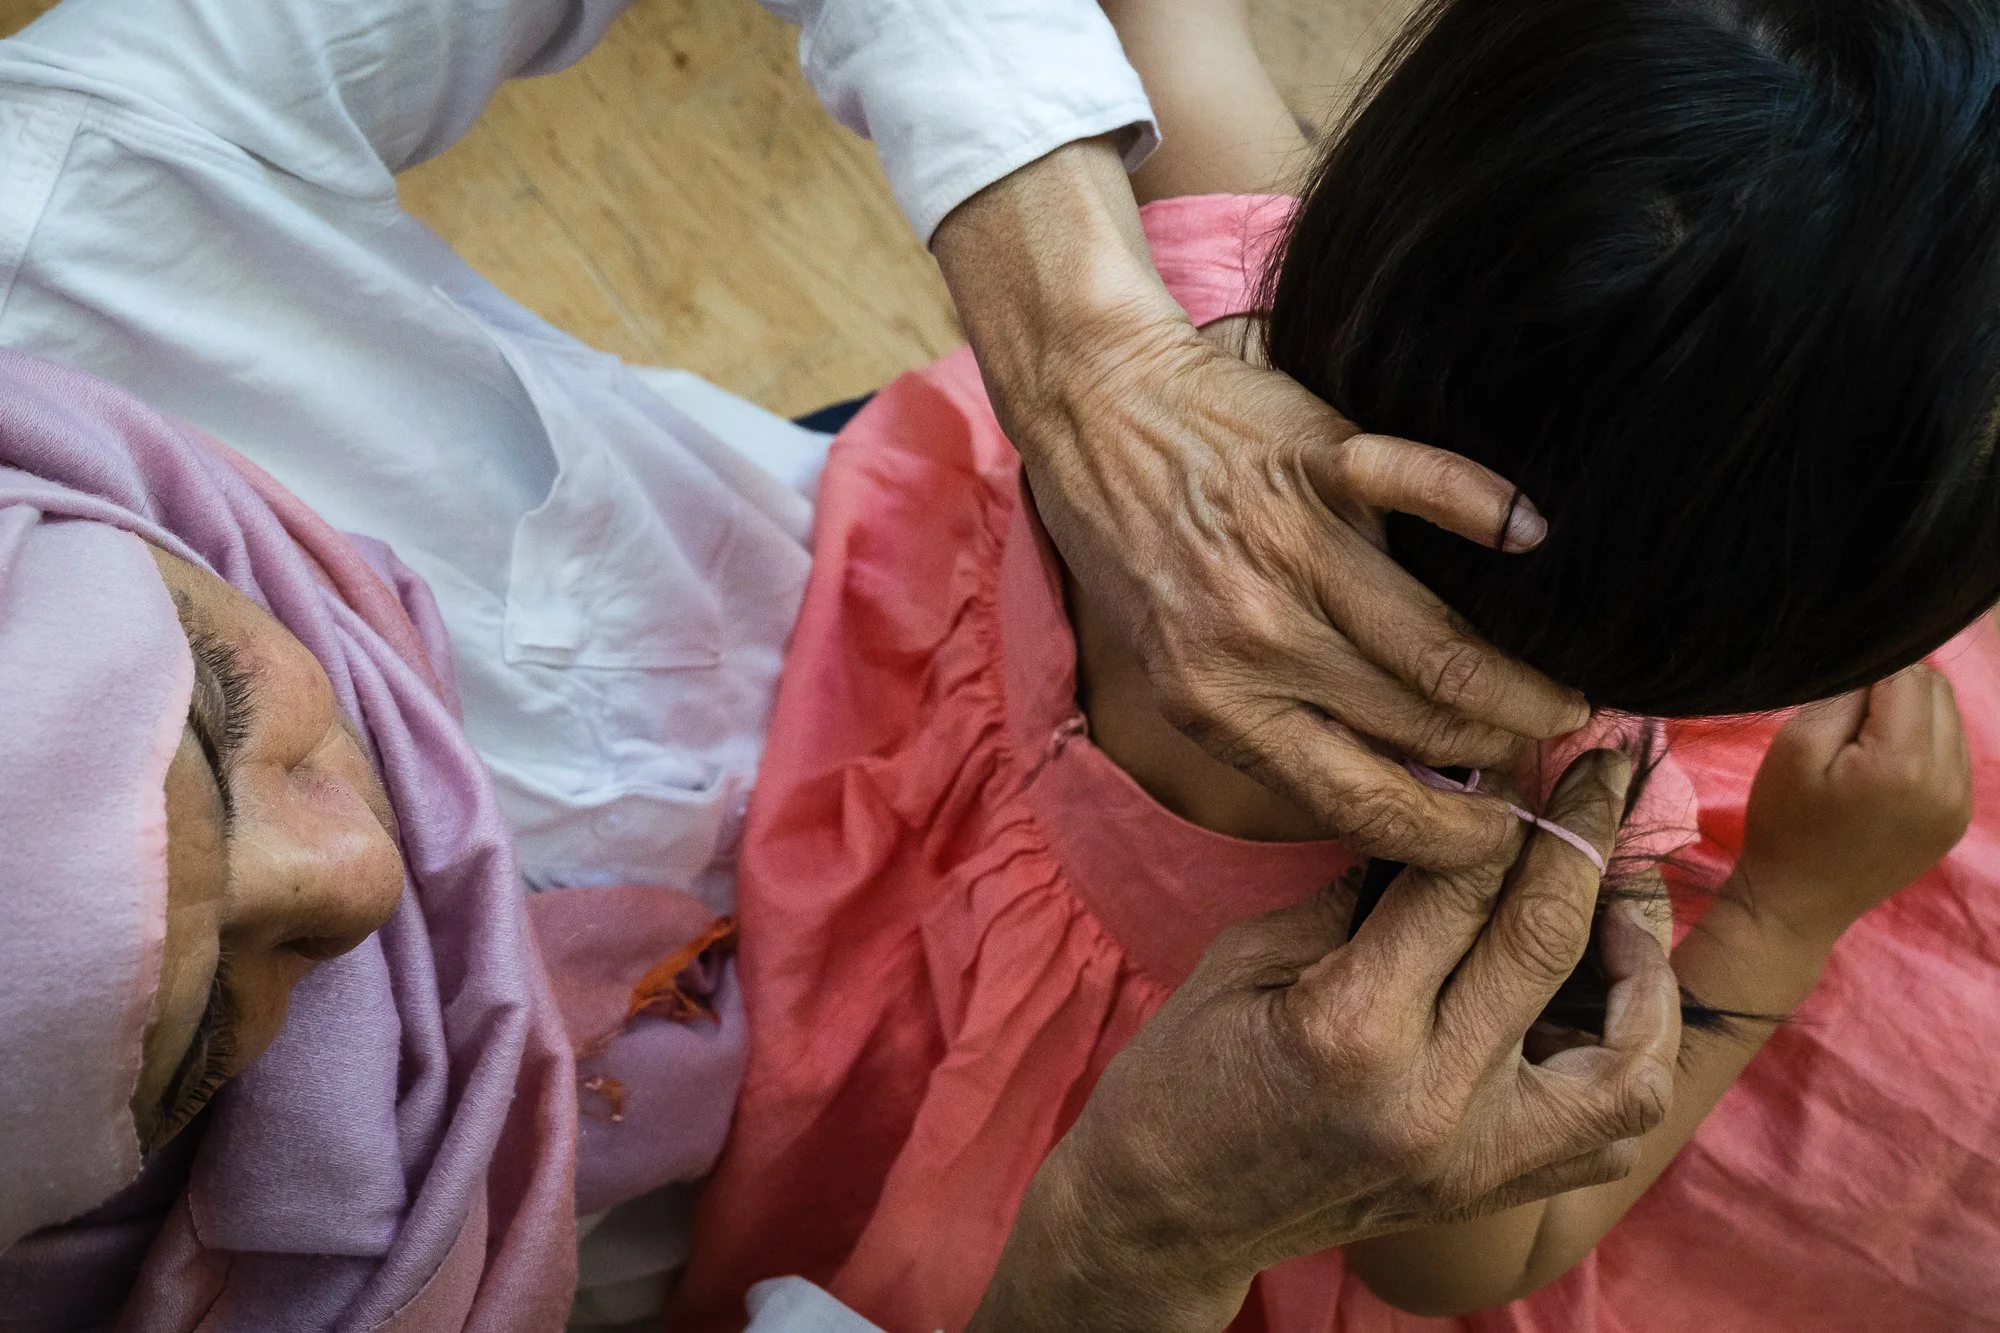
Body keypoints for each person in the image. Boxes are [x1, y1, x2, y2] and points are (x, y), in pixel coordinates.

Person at [0, 0, 1683, 1329]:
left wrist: (1082, 348)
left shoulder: (70, 205)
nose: (376, 874)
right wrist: (1119, 1261)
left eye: (224, 712)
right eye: (206, 1039)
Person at [674, 0, 2000, 1328]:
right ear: (1770, 645)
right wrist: (1787, 912)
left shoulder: (1192, 286)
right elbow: (1488, 1251)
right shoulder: (1536, 860)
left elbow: (1160, 26)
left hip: (874, 691)